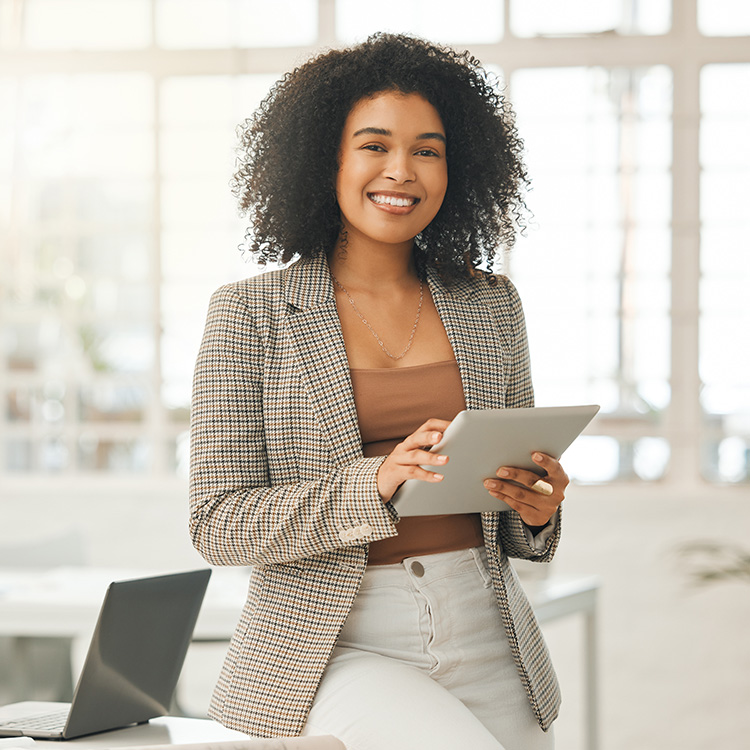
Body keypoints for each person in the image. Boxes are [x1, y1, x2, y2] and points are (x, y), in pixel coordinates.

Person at [190, 33, 569, 750]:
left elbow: (514, 522)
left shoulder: (491, 303)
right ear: (324, 157)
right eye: (374, 145)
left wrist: (538, 507)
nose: (402, 170)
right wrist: (377, 483)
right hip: (336, 642)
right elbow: (217, 522)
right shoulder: (250, 312)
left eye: (427, 149)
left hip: (486, 629)